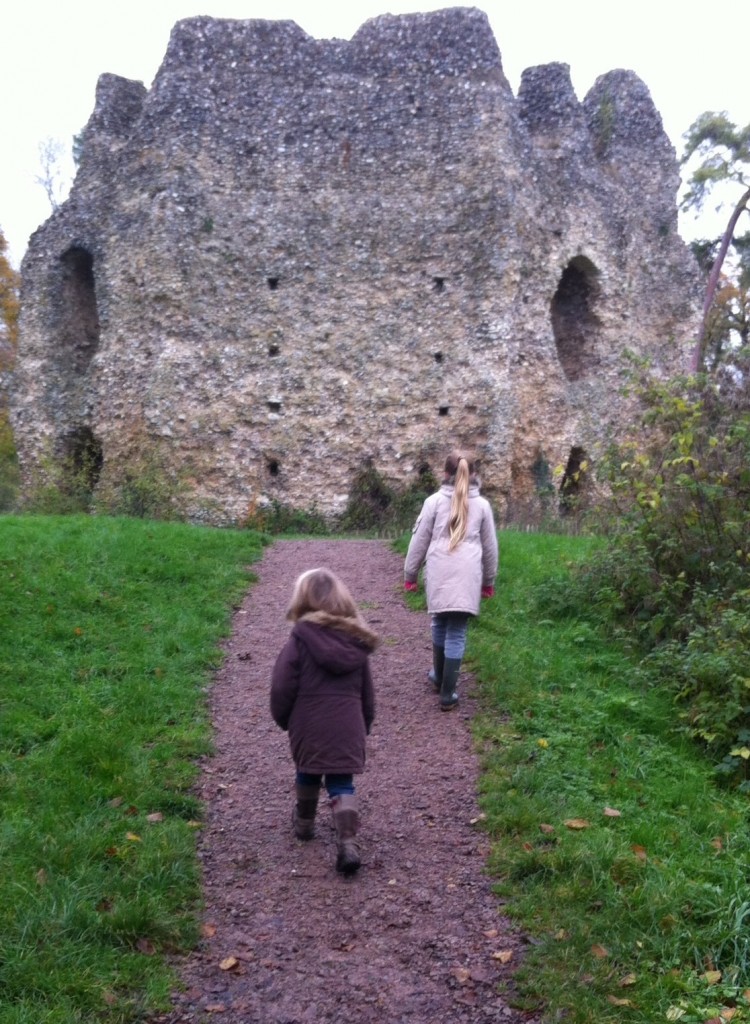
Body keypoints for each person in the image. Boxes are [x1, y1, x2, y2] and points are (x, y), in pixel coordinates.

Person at [270, 567, 378, 876]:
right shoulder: (357, 644)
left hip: (309, 724)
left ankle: (304, 824)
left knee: (307, 771)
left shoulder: (298, 641)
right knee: (342, 782)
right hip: (348, 726)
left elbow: (282, 686)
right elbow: (366, 693)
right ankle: (347, 842)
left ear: (301, 601)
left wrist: (283, 717)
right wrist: (365, 723)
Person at [403, 450, 498, 711]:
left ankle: (439, 676)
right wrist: (488, 580)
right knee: (457, 630)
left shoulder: (433, 502)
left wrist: (410, 574)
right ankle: (448, 692)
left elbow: (418, 540)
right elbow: (490, 548)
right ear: (474, 475)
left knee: (439, 621)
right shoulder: (482, 506)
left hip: (439, 572)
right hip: (468, 576)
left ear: (444, 474)